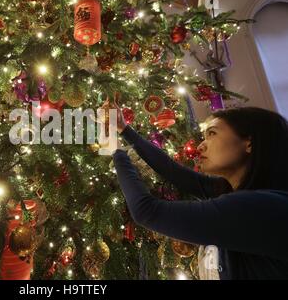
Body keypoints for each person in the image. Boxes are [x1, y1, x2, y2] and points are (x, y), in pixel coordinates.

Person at [111, 101, 288, 280]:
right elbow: (173, 171)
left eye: (212, 133)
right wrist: (124, 130)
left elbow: (146, 212)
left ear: (249, 142)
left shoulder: (261, 208)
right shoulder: (231, 191)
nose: (200, 146)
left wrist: (116, 152)